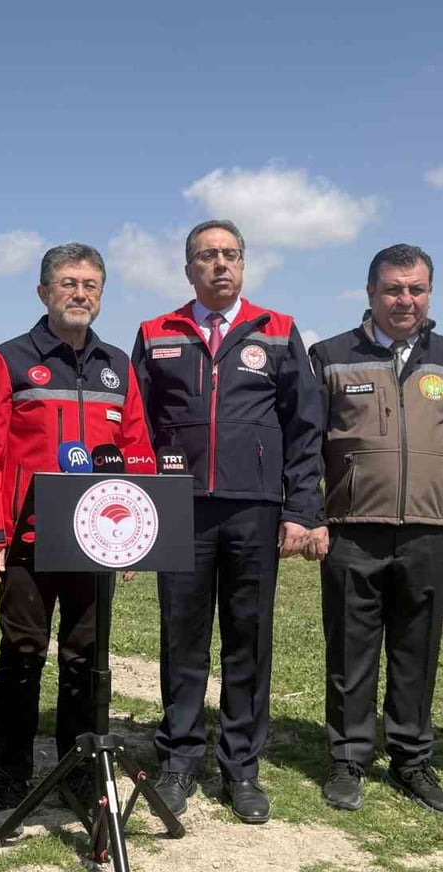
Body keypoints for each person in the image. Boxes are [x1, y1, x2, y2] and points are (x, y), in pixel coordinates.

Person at [131, 219, 321, 823]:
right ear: (189, 268)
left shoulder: (281, 331)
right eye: (207, 256)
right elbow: (136, 427)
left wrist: (299, 509)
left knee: (248, 639)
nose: (220, 264)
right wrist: (137, 514)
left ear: (244, 265)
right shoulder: (156, 332)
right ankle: (180, 759)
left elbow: (305, 428)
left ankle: (242, 766)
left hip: (254, 510)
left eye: (230, 255)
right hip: (178, 508)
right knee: (182, 638)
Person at [0, 243, 151, 830]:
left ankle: (75, 773)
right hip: (26, 543)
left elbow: (137, 456)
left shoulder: (118, 366)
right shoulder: (9, 360)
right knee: (22, 659)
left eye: (92, 284)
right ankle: (12, 781)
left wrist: (133, 542)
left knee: (84, 663)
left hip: (97, 546)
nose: (80, 293)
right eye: (69, 282)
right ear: (44, 291)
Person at [307, 244, 443, 815]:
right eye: (393, 289)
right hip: (351, 531)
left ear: (429, 293)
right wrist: (310, 517)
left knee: (417, 650)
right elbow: (305, 445)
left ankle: (411, 758)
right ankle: (347, 758)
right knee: (350, 647)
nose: (405, 300)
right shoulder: (331, 356)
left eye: (416, 289)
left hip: (429, 533)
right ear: (370, 293)